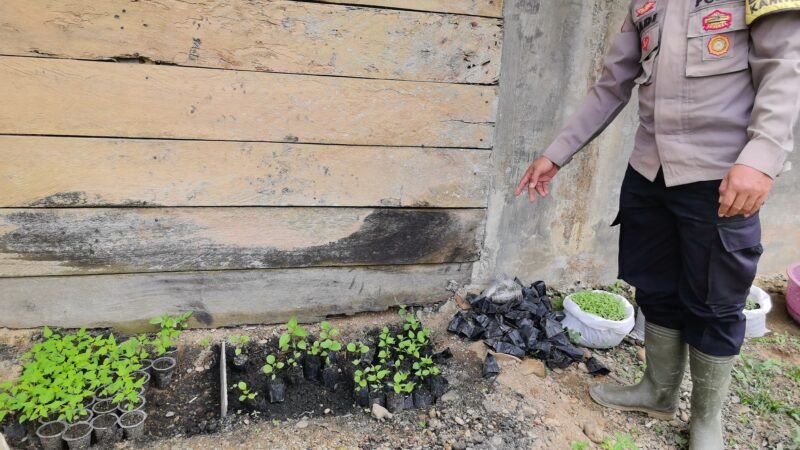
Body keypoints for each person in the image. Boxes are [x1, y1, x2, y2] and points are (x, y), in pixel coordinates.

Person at [514, 1, 800, 449]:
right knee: (656, 286)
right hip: (649, 172)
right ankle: (658, 392)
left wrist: (762, 159)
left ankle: (707, 422)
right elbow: (612, 86)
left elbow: (783, 67)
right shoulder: (646, 3)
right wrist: (556, 153)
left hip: (721, 176)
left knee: (716, 300)